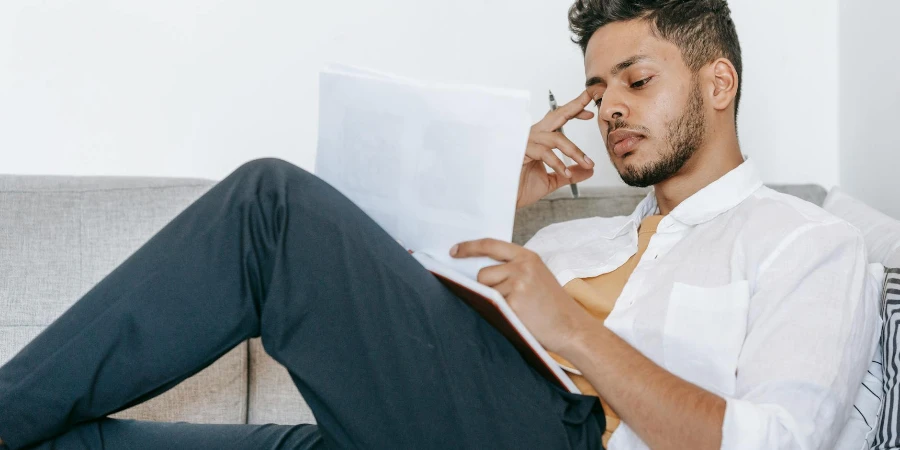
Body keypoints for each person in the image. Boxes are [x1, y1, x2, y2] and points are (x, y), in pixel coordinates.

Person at [0, 0, 877, 449]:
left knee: (270, 205)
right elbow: (374, 314)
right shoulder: (574, 242)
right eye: (599, 89)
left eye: (637, 81)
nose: (609, 109)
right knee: (80, 444)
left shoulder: (807, 243)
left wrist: (568, 325)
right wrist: (502, 198)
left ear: (717, 85)